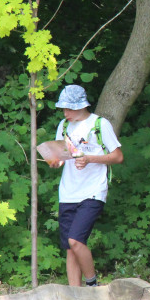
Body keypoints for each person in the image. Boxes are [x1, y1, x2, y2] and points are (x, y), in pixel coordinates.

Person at [49, 84, 123, 287]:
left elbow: (117, 156)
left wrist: (90, 158)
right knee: (70, 248)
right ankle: (75, 295)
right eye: (63, 109)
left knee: (75, 240)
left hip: (93, 191)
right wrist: (56, 161)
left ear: (81, 106)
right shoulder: (63, 125)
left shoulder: (99, 124)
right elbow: (62, 157)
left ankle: (91, 284)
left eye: (69, 109)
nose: (65, 113)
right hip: (67, 192)